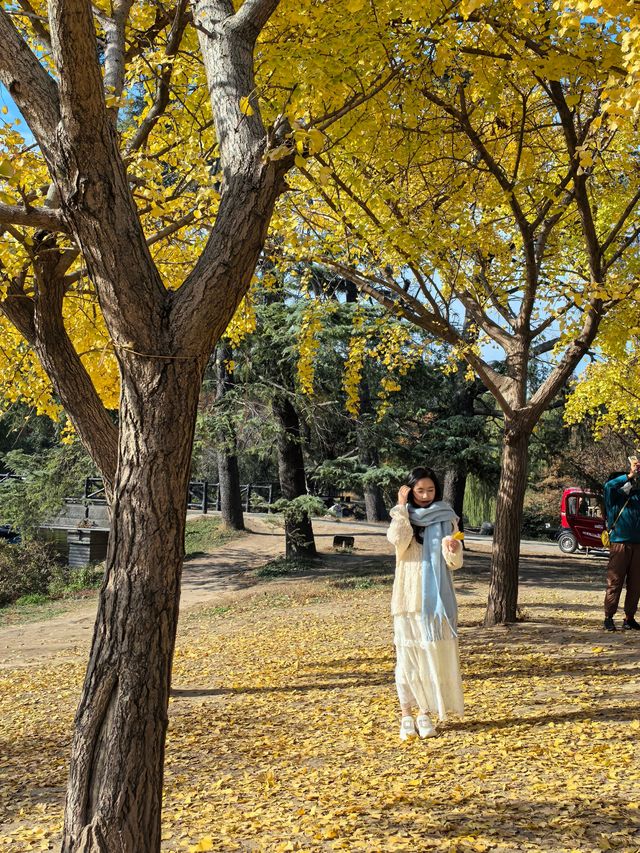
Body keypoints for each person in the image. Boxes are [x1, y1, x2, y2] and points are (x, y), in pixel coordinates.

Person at [387, 467, 464, 740]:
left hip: (435, 603)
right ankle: (406, 713)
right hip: (407, 599)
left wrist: (453, 551)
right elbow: (397, 541)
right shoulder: (402, 516)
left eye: (430, 490)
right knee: (406, 660)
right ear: (409, 491)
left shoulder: (447, 517)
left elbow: (454, 564)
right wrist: (401, 508)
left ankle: (424, 712)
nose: (425, 496)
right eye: (419, 490)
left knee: (428, 658)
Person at [603, 462, 640, 631]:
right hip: (619, 544)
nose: (630, 484)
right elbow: (609, 485)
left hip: (638, 546)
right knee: (615, 582)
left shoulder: (637, 496)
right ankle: (609, 617)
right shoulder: (614, 498)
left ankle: (629, 618)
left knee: (636, 584)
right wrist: (629, 475)